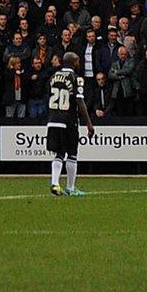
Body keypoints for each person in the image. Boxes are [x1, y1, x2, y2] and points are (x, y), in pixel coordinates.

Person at [45, 54, 94, 198]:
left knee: (58, 153)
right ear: (74, 63)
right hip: (68, 120)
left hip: (53, 119)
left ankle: (55, 183)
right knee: (72, 154)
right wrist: (89, 124)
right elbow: (80, 102)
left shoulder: (53, 77)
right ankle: (71, 188)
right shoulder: (76, 78)